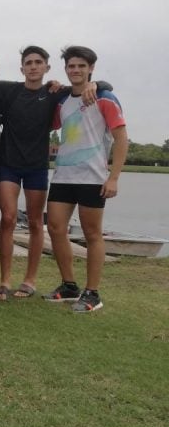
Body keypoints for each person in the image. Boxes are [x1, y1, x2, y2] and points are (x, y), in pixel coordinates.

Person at [0, 46, 103, 300]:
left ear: (47, 68)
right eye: (29, 62)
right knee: (8, 218)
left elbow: (88, 85)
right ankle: (4, 281)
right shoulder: (9, 90)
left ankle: (29, 280)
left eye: (39, 62)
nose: (33, 66)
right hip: (8, 165)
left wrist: (97, 84)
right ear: (22, 68)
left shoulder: (54, 93)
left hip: (36, 166)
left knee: (36, 222)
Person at [43, 46, 127, 312]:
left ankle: (92, 293)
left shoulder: (105, 96)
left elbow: (121, 138)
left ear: (90, 68)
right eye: (71, 66)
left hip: (93, 177)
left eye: (81, 66)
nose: (75, 70)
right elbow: (52, 124)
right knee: (55, 228)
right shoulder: (63, 100)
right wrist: (53, 87)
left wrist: (113, 178)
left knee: (92, 234)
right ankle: (69, 285)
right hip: (64, 175)